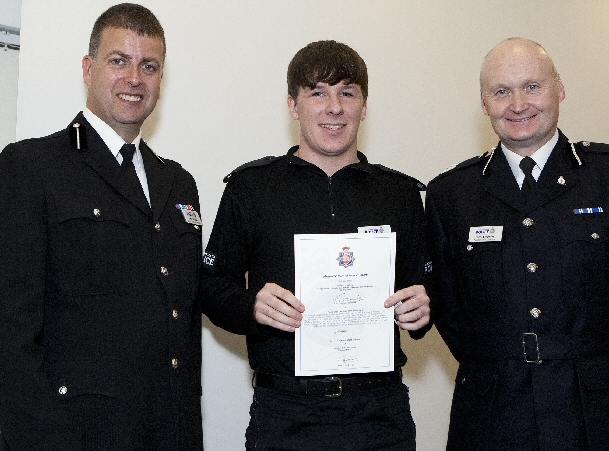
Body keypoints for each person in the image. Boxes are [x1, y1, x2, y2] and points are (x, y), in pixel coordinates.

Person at [200, 40, 431, 451]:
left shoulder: (399, 194)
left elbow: (427, 289)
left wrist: (422, 310)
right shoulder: (252, 188)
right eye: (317, 93)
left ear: (364, 105)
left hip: (379, 415)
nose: (334, 107)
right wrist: (252, 306)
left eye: (347, 92)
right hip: (286, 414)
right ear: (293, 105)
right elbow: (212, 285)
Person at [0, 4, 203, 449]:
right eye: (119, 61)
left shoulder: (178, 182)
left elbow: (182, 326)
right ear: (88, 69)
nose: (135, 78)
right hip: (76, 435)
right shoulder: (31, 167)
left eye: (149, 66)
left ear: (160, 82)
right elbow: (9, 335)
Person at [425, 37, 609, 450]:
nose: (518, 104)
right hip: (495, 414)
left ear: (559, 89)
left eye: (532, 86)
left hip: (602, 415)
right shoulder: (452, 195)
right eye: (501, 91)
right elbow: (449, 311)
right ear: (484, 103)